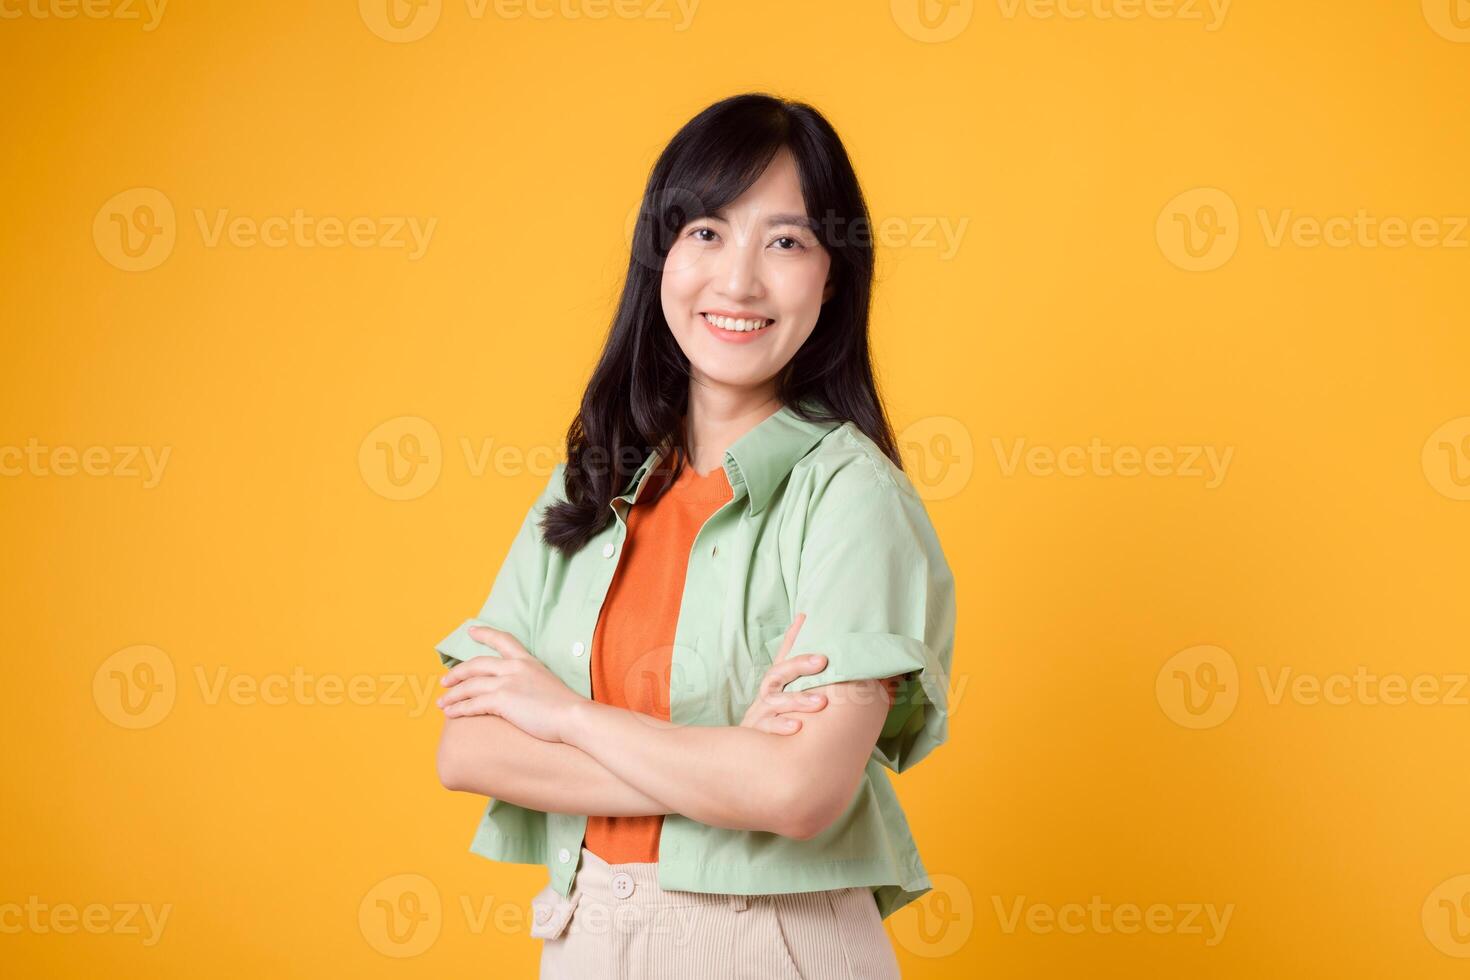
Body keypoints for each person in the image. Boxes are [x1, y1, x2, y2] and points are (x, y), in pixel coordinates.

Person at [433, 92, 957, 979]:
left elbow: (798, 792)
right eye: (707, 232)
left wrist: (563, 718)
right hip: (586, 935)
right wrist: (729, 764)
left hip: (769, 942)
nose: (739, 281)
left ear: (833, 277)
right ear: (662, 255)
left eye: (785, 241)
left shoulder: (852, 500)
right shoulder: (587, 486)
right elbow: (471, 749)